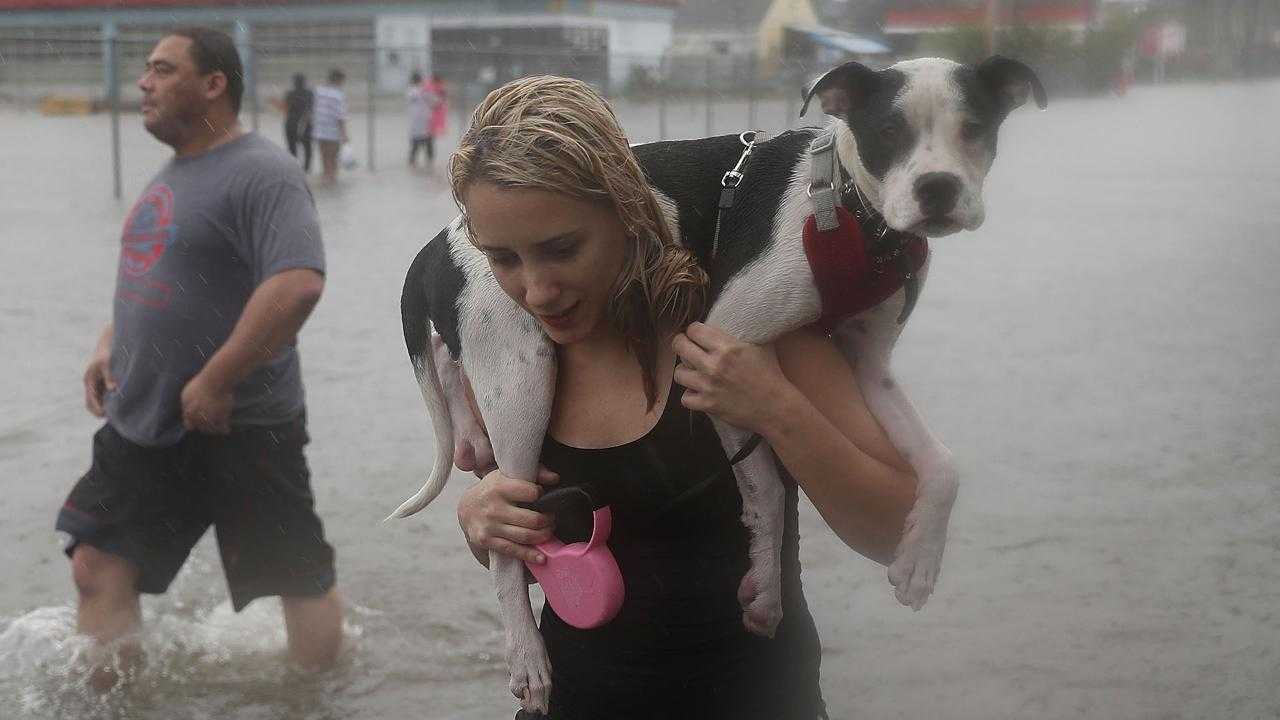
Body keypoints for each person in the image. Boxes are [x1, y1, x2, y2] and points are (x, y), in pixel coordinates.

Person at [451, 76, 919, 719]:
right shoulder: (514, 361)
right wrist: (484, 522)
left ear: (627, 210)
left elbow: (897, 532)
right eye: (502, 259)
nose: (536, 290)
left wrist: (774, 407)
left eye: (562, 250)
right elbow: (549, 560)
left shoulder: (752, 327)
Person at [58, 27, 342, 689]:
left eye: (162, 70)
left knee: (295, 576)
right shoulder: (173, 173)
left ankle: (316, 698)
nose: (143, 82)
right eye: (146, 70)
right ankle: (118, 699)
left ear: (214, 84)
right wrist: (108, 346)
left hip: (241, 422)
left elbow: (297, 283)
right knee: (97, 563)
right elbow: (162, 278)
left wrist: (218, 379)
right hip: (146, 419)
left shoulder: (263, 171)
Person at [312, 67, 347, 184]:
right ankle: (332, 177)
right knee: (333, 155)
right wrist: (344, 133)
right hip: (333, 130)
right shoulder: (338, 94)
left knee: (324, 154)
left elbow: (314, 108)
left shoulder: (319, 91)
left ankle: (325, 175)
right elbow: (340, 116)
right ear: (338, 80)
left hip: (319, 128)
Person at [283, 73, 313, 172]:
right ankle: (307, 168)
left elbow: (285, 109)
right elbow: (310, 109)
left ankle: (294, 167)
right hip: (305, 122)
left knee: (292, 147)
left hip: (291, 122)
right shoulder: (309, 94)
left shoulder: (289, 94)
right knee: (307, 147)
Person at [421, 72, 447, 164]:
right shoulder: (429, 87)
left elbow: (440, 100)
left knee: (429, 138)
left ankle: (429, 158)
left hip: (431, 118)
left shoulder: (438, 88)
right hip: (427, 118)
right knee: (426, 138)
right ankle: (429, 157)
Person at [407, 71, 430, 166]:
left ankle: (427, 159)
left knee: (424, 140)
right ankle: (413, 160)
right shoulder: (414, 91)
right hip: (417, 120)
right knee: (417, 140)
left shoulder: (419, 90)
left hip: (422, 119)